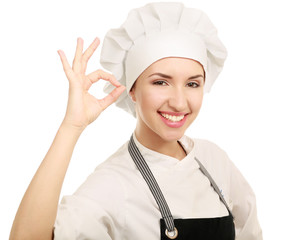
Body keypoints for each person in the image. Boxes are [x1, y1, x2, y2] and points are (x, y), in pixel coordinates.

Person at [9, 2, 263, 240]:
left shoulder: (214, 160)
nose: (179, 102)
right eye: (161, 82)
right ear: (132, 89)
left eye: (192, 83)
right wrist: (71, 127)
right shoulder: (114, 182)